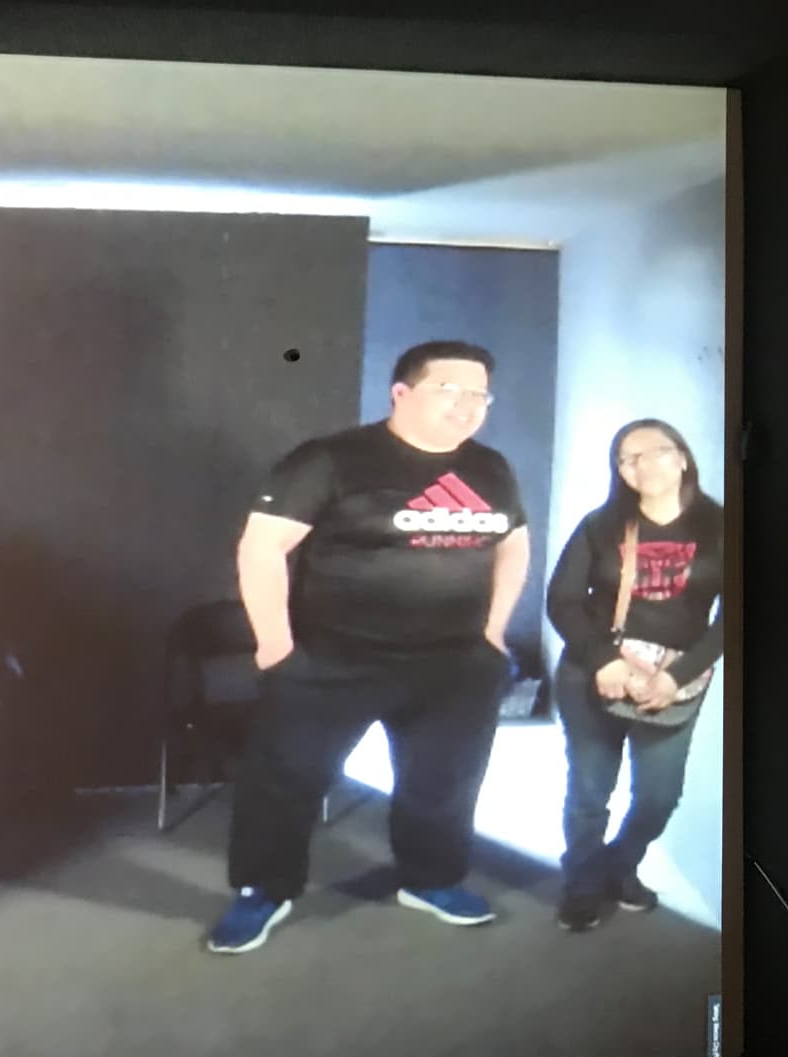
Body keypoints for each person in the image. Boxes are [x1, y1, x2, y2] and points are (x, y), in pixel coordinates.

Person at [205, 339, 529, 954]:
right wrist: (276, 648)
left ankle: (431, 879)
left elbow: (513, 545)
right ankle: (263, 891)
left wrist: (492, 632)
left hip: (454, 665)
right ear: (401, 393)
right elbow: (262, 548)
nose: (466, 405)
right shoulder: (331, 460)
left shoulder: (491, 468)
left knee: (444, 784)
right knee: (285, 782)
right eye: (448, 389)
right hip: (335, 660)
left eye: (479, 394)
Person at [546, 419, 723, 932]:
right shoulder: (601, 526)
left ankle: (618, 865)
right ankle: (582, 885)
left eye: (656, 452)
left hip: (674, 684)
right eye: (628, 458)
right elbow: (563, 600)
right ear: (619, 471)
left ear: (683, 458)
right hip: (592, 675)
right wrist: (605, 660)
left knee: (658, 797)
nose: (643, 465)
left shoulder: (721, 527)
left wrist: (678, 675)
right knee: (589, 792)